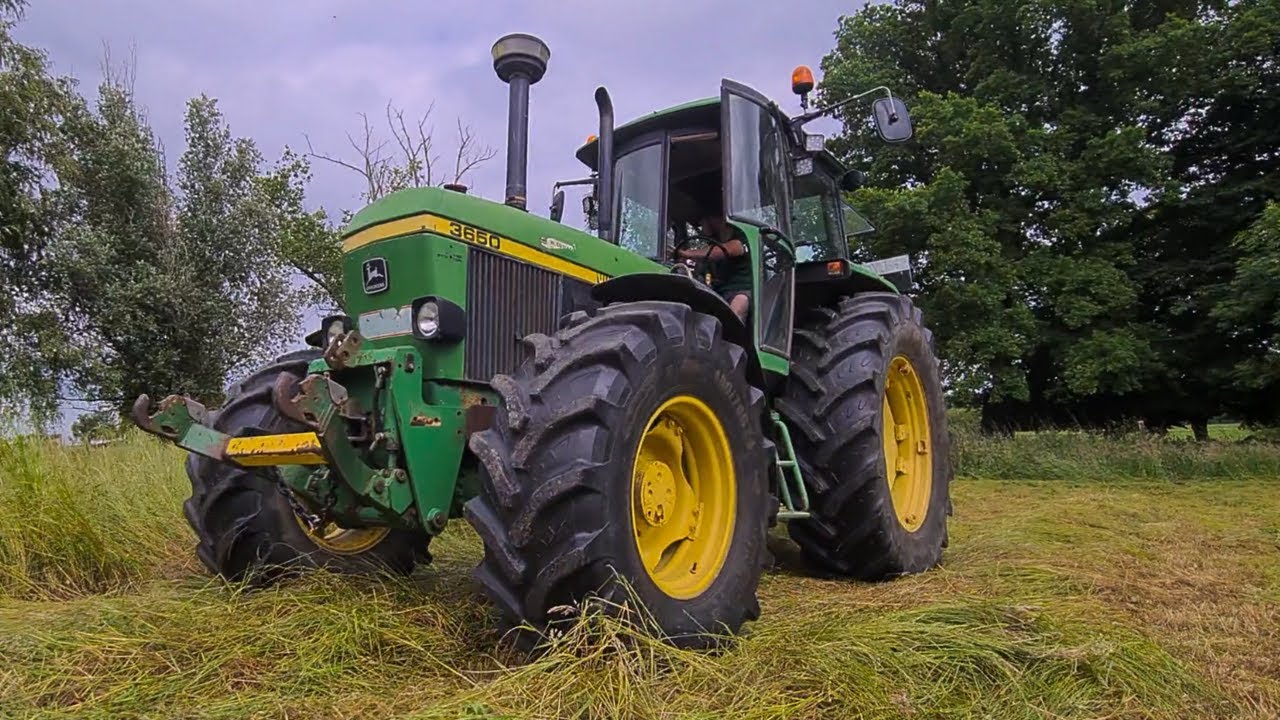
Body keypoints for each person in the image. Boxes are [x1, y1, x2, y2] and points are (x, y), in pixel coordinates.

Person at [676, 213, 752, 323]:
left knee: (740, 302)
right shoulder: (711, 245)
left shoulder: (741, 236)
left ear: (716, 218)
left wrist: (687, 253)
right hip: (718, 293)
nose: (701, 224)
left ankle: (732, 336)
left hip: (742, 290)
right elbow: (702, 272)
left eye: (703, 220)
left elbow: (728, 250)